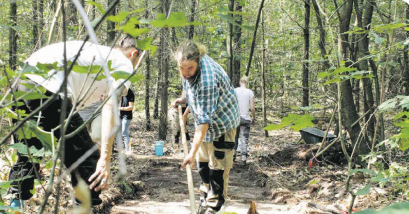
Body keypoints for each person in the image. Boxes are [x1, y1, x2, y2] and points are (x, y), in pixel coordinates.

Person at [8, 35, 143, 209]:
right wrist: (105, 159)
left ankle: (13, 207)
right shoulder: (123, 64)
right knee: (89, 160)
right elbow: (110, 108)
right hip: (47, 88)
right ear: (134, 53)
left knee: (28, 153)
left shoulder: (99, 56)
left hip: (19, 82)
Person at [172, 41, 240, 212]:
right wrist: (185, 101)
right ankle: (205, 195)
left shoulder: (207, 80)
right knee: (203, 164)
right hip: (205, 122)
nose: (185, 73)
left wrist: (190, 153)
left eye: (190, 69)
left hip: (222, 124)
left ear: (198, 61)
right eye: (182, 68)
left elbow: (204, 121)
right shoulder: (187, 68)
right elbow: (190, 89)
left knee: (217, 166)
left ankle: (214, 205)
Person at [234, 76, 255, 165]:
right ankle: (243, 158)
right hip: (245, 118)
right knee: (244, 139)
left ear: (240, 82)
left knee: (234, 137)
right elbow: (252, 107)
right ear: (247, 82)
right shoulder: (250, 92)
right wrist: (254, 117)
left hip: (235, 118)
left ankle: (233, 156)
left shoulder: (235, 91)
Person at [119, 88, 135, 153]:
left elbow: (131, 107)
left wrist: (120, 108)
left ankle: (127, 150)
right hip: (119, 115)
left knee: (124, 132)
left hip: (127, 116)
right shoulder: (119, 91)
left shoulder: (130, 93)